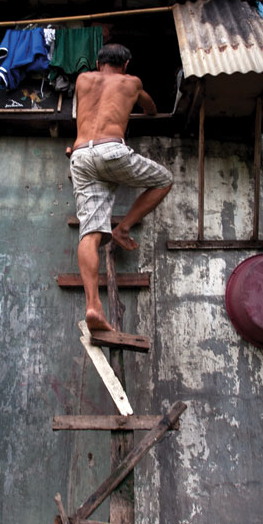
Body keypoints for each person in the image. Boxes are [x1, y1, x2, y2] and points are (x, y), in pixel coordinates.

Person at [67, 43, 173, 333]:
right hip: (111, 151)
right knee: (164, 179)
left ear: (99, 62)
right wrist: (140, 99)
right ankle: (123, 228)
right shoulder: (131, 82)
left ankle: (93, 306)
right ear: (126, 65)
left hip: (80, 155)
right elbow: (150, 109)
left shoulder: (82, 80)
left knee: (89, 232)